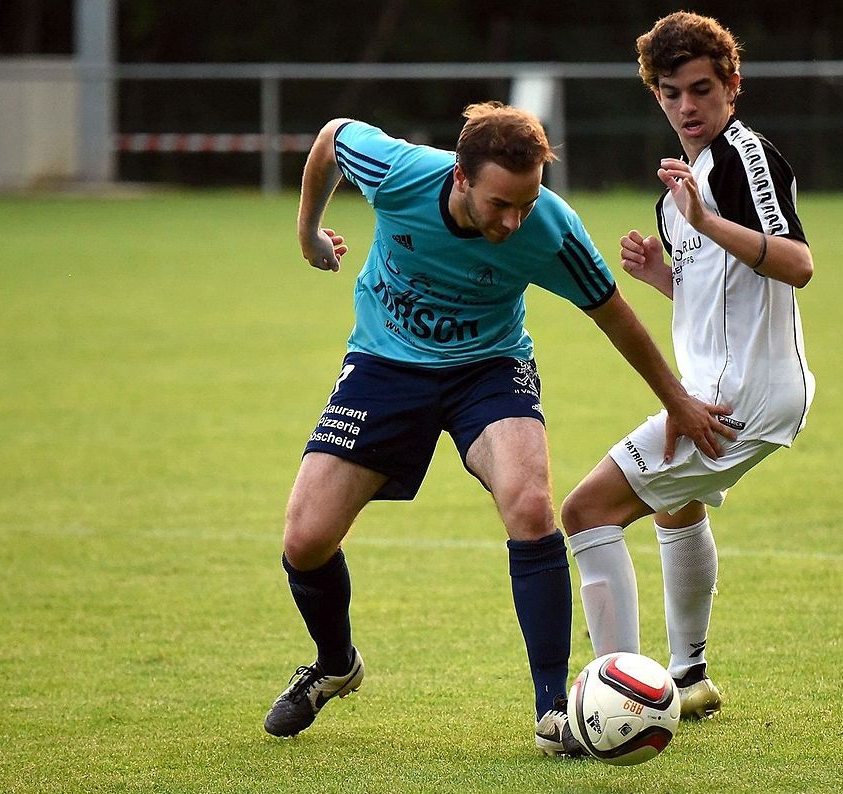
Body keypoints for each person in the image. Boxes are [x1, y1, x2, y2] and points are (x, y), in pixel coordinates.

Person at [262, 101, 736, 755]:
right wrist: (309, 232)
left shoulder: (549, 228)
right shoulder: (399, 172)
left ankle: (553, 714)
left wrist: (677, 400)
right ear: (459, 178)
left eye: (527, 202)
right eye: (500, 205)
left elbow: (615, 315)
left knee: (531, 503)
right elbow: (331, 138)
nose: (514, 221)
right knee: (306, 538)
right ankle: (335, 662)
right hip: (384, 366)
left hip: (489, 369)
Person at [560, 11, 815, 721]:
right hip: (729, 391)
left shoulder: (743, 156)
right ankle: (689, 673)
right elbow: (720, 295)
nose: (687, 106)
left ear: (733, 85)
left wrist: (705, 225)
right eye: (671, 92)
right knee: (677, 502)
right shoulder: (681, 191)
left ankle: (619, 702)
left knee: (583, 511)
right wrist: (664, 277)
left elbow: (797, 264)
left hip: (734, 397)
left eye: (702, 88)